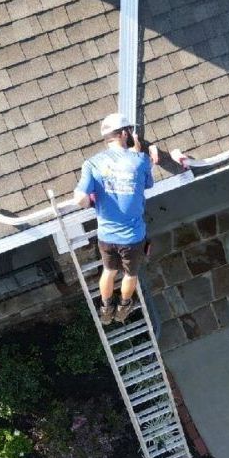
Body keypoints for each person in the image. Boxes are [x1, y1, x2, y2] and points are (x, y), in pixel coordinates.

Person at [74, 113, 154, 325]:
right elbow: (147, 184)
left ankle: (106, 307)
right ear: (125, 133)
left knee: (109, 271)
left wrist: (91, 203)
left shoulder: (92, 164)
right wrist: (137, 153)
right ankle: (123, 307)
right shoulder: (140, 161)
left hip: (106, 235)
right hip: (133, 236)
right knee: (130, 274)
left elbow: (80, 197)